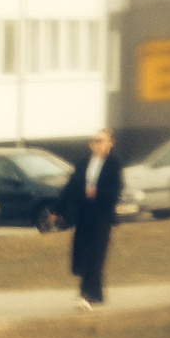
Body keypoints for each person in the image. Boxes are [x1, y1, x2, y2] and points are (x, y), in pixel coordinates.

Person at [51, 131, 124, 309]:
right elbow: (70, 186)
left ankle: (87, 295)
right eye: (94, 141)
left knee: (96, 254)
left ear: (110, 143)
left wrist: (97, 192)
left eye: (101, 141)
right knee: (83, 253)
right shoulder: (84, 162)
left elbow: (116, 191)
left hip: (102, 215)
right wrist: (58, 210)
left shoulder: (114, 164)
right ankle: (95, 294)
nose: (97, 144)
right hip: (84, 214)